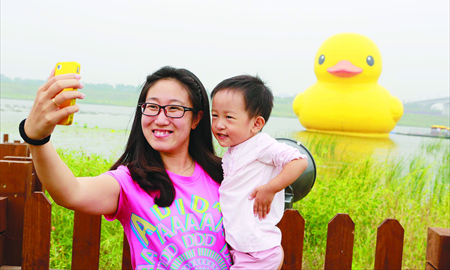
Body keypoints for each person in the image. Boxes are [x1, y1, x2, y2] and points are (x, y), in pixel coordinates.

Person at [20, 66, 232, 269]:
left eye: (174, 109)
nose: (160, 119)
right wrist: (38, 139)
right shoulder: (131, 182)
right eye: (152, 107)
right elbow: (71, 192)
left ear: (196, 118)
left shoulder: (226, 174)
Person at [210, 75, 308, 270]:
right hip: (242, 248)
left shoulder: (260, 144)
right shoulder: (233, 151)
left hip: (258, 252)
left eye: (229, 117)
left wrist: (271, 188)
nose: (219, 124)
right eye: (215, 115)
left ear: (256, 124)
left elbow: (299, 161)